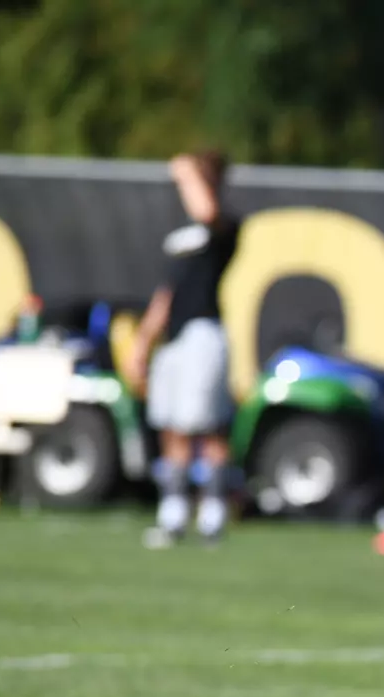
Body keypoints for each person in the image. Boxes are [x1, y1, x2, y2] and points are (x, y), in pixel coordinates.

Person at [123, 150, 241, 547]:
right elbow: (167, 293)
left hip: (202, 334)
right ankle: (172, 514)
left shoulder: (222, 227)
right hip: (173, 340)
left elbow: (207, 210)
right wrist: (143, 342)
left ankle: (212, 514)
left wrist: (188, 173)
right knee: (171, 424)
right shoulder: (181, 237)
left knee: (208, 425)